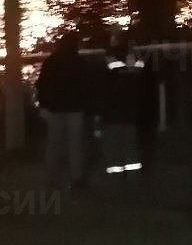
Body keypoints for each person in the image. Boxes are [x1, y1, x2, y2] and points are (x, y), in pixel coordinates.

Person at [36, 33, 91, 187]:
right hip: (75, 108)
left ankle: (51, 178)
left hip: (55, 108)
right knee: (75, 144)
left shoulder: (51, 61)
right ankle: (77, 178)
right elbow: (86, 85)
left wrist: (43, 105)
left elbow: (42, 85)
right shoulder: (79, 61)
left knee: (54, 143)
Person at [100, 47, 145, 176]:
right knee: (130, 144)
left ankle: (117, 173)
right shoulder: (136, 73)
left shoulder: (113, 74)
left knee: (115, 145)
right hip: (130, 116)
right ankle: (132, 175)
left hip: (114, 117)